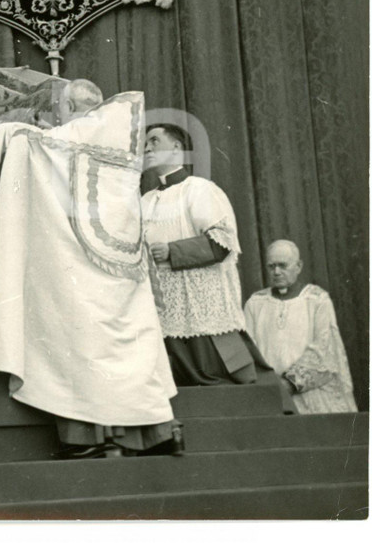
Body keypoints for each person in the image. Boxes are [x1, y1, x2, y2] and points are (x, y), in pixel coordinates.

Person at [0, 87, 180, 458]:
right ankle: (151, 435)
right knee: (130, 346)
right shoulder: (118, 130)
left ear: (71, 107)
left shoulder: (71, 136)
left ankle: (85, 439)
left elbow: (17, 138)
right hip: (121, 274)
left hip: (80, 269)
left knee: (76, 344)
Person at [141, 124, 267, 386]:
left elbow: (221, 243)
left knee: (222, 380)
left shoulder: (199, 189)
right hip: (162, 307)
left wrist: (171, 251)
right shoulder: (145, 200)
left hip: (201, 308)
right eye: (145, 143)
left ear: (177, 147)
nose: (146, 147)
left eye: (154, 140)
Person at [244, 240, 357, 414]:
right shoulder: (255, 303)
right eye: (271, 266)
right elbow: (248, 350)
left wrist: (291, 383)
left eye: (283, 266)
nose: (276, 272)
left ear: (298, 266)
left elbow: (325, 348)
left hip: (311, 396)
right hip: (270, 396)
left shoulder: (317, 299)